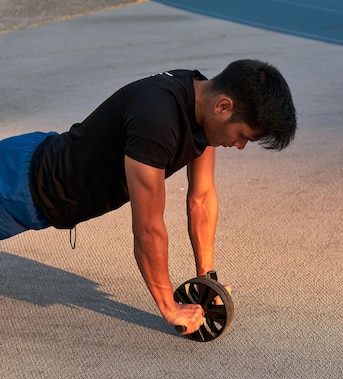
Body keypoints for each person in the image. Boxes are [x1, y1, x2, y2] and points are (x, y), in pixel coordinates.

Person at [0, 59, 297, 336]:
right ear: (224, 106)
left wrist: (207, 280)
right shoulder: (156, 120)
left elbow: (202, 198)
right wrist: (170, 308)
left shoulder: (202, 104)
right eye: (244, 135)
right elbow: (148, 228)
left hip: (38, 161)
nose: (241, 145)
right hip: (18, 188)